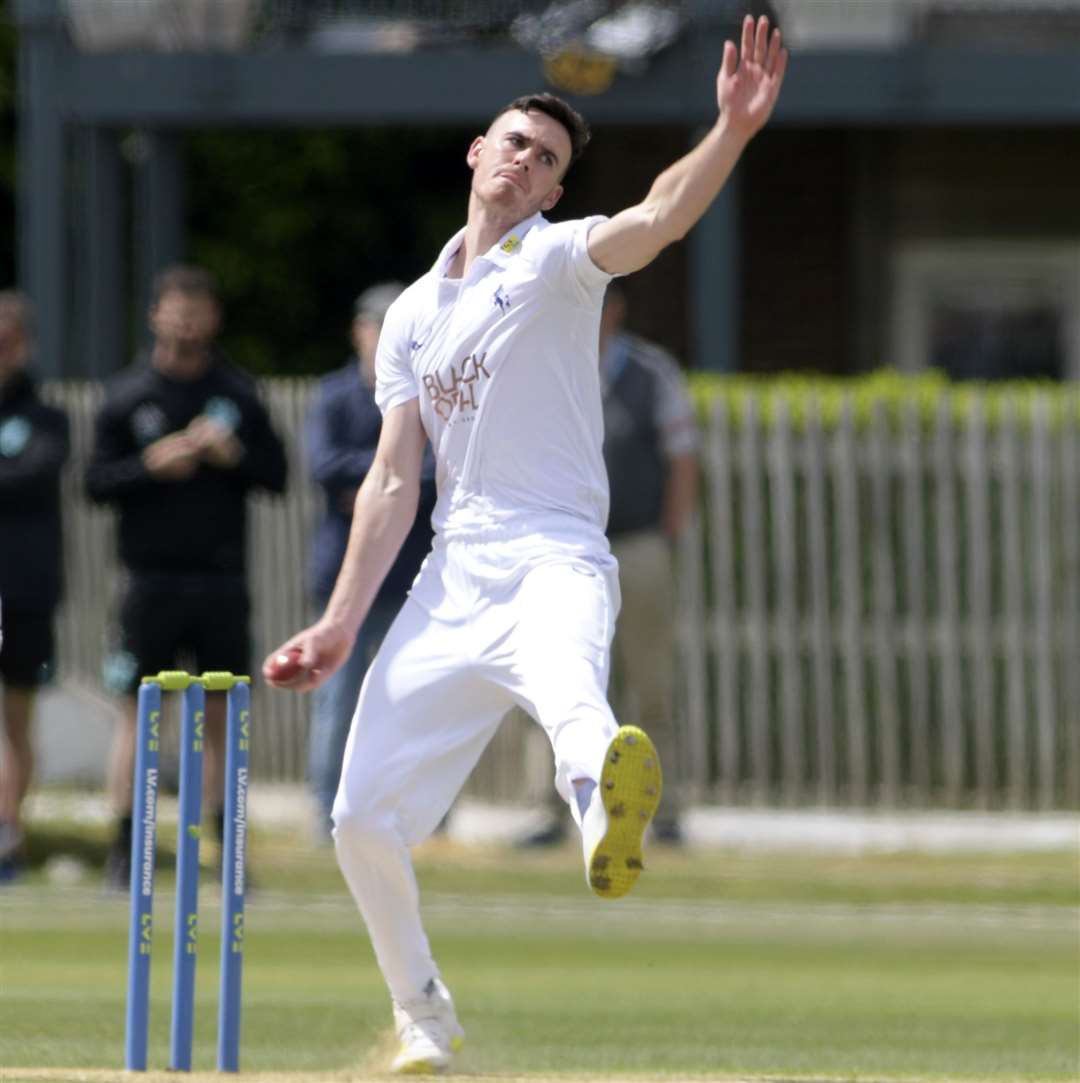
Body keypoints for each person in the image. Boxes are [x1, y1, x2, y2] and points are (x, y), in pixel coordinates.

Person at [265, 15, 786, 1073]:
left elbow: (656, 217)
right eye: (514, 142)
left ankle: (604, 821)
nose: (526, 161)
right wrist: (337, 621)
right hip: (456, 575)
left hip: (556, 555)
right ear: (477, 152)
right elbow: (393, 478)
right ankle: (422, 1018)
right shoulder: (410, 315)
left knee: (572, 698)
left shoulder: (556, 261)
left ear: (552, 193)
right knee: (360, 818)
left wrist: (728, 133)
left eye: (546, 160)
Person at [87, 264, 288, 890]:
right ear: (155, 316)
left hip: (221, 580)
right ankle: (127, 849)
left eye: (197, 311)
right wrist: (151, 465)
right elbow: (94, 483)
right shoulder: (127, 396)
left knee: (222, 717)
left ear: (213, 319)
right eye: (176, 310)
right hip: (148, 582)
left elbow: (276, 475)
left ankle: (226, 851)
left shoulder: (238, 393)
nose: (186, 322)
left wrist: (232, 458)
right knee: (140, 714)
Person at [517, 282, 698, 849]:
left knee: (651, 682)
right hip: (565, 549)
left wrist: (668, 536)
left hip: (637, 543)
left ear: (615, 311)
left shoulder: (651, 372)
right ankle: (548, 812)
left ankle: (663, 813)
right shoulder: (544, 366)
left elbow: (682, 460)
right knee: (554, 682)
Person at [306, 283, 437, 841]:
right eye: (375, 328)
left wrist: (388, 481)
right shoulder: (335, 397)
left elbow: (438, 472)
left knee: (417, 693)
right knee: (339, 695)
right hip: (346, 570)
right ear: (358, 332)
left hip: (415, 572)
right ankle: (325, 812)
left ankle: (421, 814)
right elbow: (323, 465)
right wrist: (388, 478)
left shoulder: (428, 392)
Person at [0, 292, 69, 881]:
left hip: (22, 587)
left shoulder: (46, 416)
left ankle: (8, 836)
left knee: (17, 716)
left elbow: (30, 477)